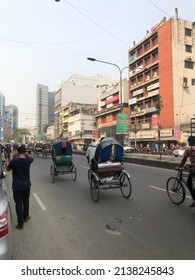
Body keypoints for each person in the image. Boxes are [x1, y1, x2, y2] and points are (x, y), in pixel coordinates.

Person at [6, 144, 34, 229]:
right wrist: (25, 153)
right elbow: (32, 157)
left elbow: (8, 169)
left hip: (17, 186)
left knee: (18, 204)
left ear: (18, 152)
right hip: (26, 185)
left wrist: (16, 156)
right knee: (26, 201)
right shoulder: (28, 160)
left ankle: (20, 224)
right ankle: (25, 217)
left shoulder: (14, 161)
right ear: (25, 152)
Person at [177, 136, 195, 207]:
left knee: (190, 184)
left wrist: (179, 167)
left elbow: (184, 160)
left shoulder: (189, 149)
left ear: (190, 142)